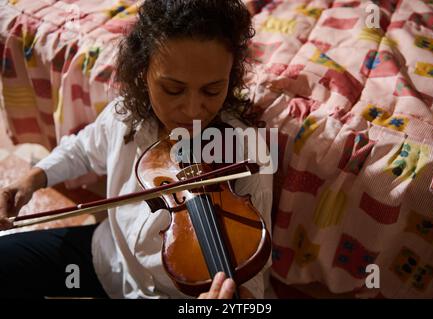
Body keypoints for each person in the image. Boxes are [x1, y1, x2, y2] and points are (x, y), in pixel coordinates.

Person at [0, 0, 273, 299]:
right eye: (173, 89)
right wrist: (32, 180)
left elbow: (254, 281)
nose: (194, 110)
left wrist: (238, 299)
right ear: (144, 72)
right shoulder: (125, 116)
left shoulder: (246, 152)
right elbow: (82, 149)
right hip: (108, 260)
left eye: (212, 90)